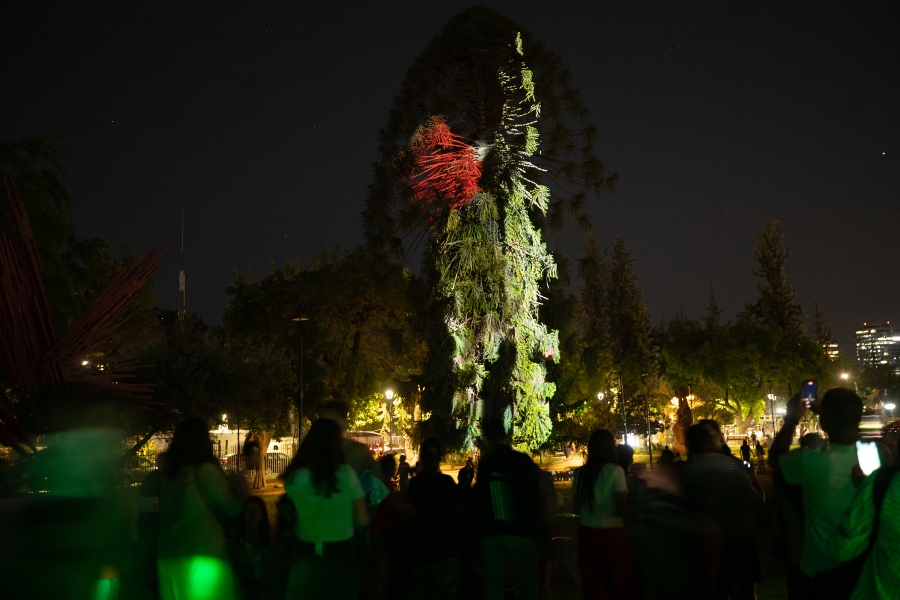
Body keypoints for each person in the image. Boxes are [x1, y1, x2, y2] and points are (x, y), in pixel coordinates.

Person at [770, 388, 863, 594]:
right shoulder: (879, 456)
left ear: (824, 422)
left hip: (818, 570)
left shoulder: (807, 460)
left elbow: (776, 457)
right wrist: (833, 414)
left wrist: (793, 419)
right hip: (863, 568)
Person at [158, 417, 247, 600]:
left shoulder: (170, 476)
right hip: (203, 557)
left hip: (170, 557)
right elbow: (232, 508)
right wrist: (243, 491)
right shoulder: (205, 471)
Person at [283, 418, 369, 599]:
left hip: (305, 556)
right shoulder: (346, 475)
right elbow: (363, 519)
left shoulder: (296, 479)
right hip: (341, 557)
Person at [683, 423, 761, 599]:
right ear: (707, 443)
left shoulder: (691, 468)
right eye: (715, 438)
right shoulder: (731, 465)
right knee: (739, 582)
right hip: (737, 530)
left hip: (707, 534)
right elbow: (750, 496)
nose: (720, 440)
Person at [472, 417, 542, 600]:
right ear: (505, 435)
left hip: (492, 533)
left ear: (487, 439)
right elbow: (535, 494)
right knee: (528, 586)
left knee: (493, 588)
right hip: (520, 531)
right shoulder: (522, 461)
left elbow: (479, 497)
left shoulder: (486, 463)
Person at [573, 429, 633, 600]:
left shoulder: (580, 474)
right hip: (612, 536)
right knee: (616, 583)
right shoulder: (615, 472)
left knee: (592, 584)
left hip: (587, 534)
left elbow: (577, 507)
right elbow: (622, 506)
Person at [408, 438, 463, 599]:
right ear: (440, 457)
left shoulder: (415, 484)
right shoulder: (446, 483)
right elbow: (457, 511)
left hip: (421, 547)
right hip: (446, 548)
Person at [234, 496, 270, 600]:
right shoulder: (237, 539)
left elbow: (267, 567)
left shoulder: (266, 540)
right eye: (249, 510)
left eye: (257, 511)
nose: (253, 515)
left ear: (262, 514)